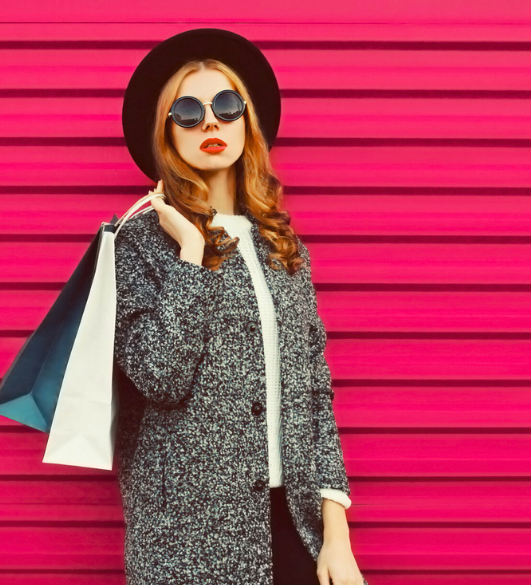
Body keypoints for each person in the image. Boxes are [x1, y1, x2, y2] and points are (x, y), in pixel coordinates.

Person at [113, 29, 367, 585]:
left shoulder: (282, 247)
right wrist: (191, 254)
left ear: (246, 122)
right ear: (166, 131)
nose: (210, 123)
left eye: (226, 106)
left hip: (292, 528)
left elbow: (314, 393)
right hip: (187, 542)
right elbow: (159, 377)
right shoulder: (135, 245)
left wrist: (337, 537)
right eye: (188, 110)